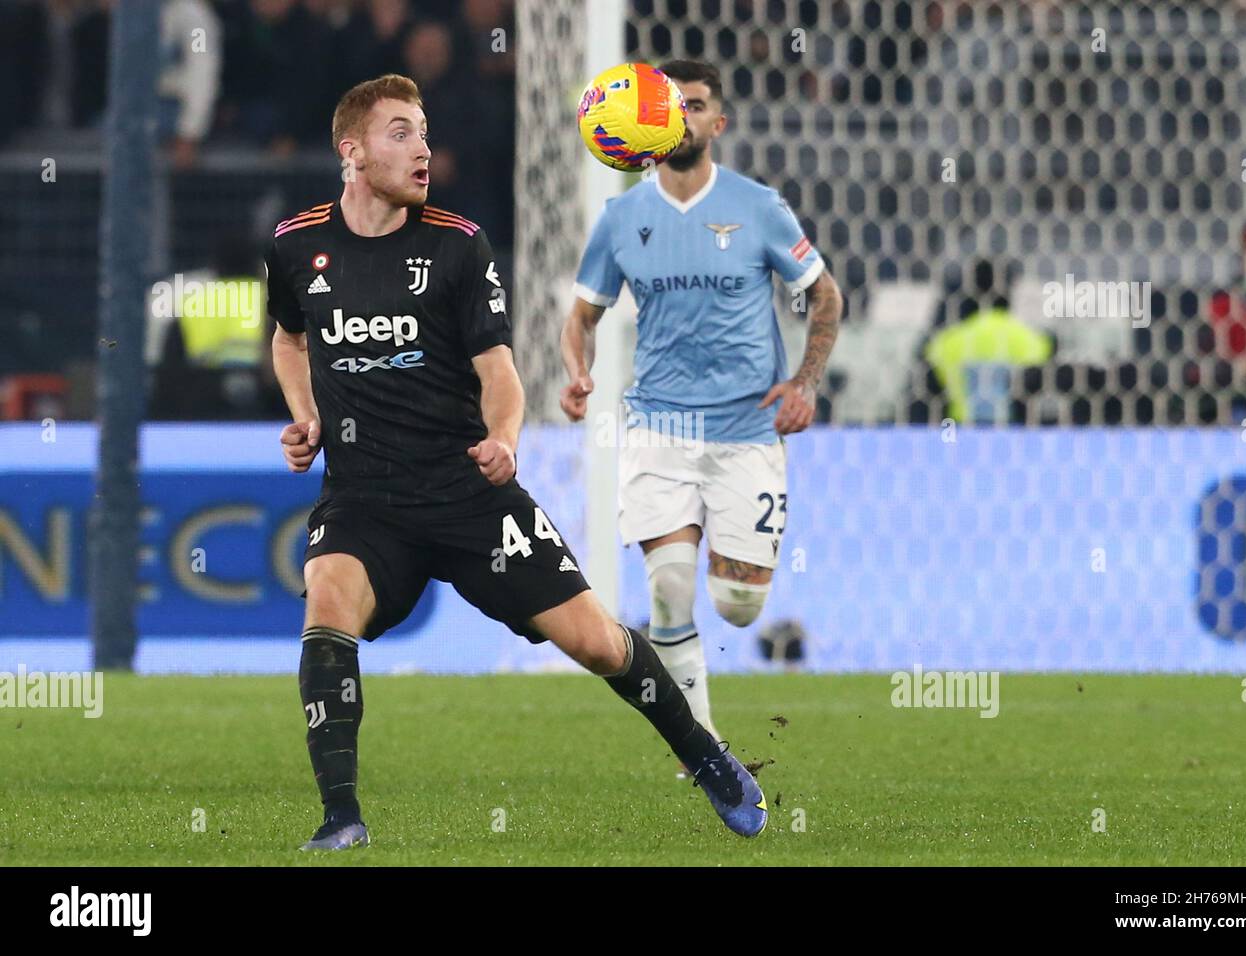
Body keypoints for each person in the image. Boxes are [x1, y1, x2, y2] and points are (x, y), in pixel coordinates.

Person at [265, 74, 766, 850]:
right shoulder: (297, 246)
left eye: (425, 130)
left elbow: (499, 372)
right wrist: (305, 415)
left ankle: (706, 757)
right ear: (352, 151)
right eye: (401, 132)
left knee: (597, 642)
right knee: (327, 601)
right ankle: (341, 819)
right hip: (365, 499)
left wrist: (505, 441)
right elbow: (290, 337)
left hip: (471, 493)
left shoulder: (457, 245)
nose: (422, 147)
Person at [559, 60, 842, 766]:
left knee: (739, 604)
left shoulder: (759, 206)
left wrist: (805, 381)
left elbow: (826, 296)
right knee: (670, 586)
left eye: (696, 105)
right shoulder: (621, 218)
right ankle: (707, 753)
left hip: (747, 430)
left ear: (719, 122)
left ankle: (729, 600)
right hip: (659, 425)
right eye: (671, 105)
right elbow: (582, 315)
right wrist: (577, 371)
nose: (683, 116)